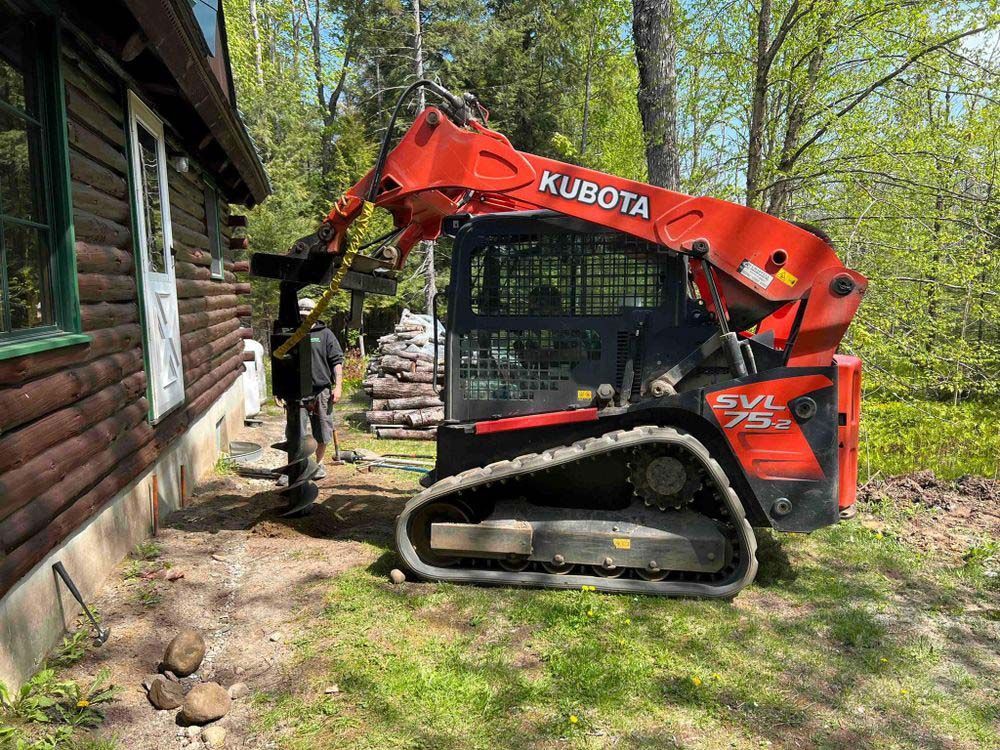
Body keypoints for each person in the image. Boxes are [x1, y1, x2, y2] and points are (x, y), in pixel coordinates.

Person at [283, 297, 343, 482]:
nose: (304, 318)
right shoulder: (291, 334)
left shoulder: (325, 334)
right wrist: (281, 390)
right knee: (296, 431)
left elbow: (337, 361)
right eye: (301, 315)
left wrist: (338, 386)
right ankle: (296, 467)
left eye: (307, 315)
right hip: (297, 391)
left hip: (321, 391)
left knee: (323, 429)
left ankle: (319, 463)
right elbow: (282, 363)